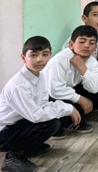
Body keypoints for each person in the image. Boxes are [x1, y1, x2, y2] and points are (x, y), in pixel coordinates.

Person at [0, 36, 79, 172]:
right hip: (3, 133)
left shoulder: (40, 76)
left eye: (45, 54)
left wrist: (67, 107)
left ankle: (29, 147)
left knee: (54, 121)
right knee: (50, 124)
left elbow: (43, 104)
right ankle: (13, 157)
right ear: (23, 57)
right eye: (33, 55)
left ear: (50, 56)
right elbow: (35, 115)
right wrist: (67, 108)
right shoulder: (18, 86)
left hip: (18, 124)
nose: (39, 59)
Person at [43, 26, 98, 133]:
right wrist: (80, 99)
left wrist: (82, 67)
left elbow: (94, 88)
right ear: (71, 44)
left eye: (91, 43)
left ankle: (75, 113)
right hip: (48, 94)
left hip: (71, 89)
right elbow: (55, 90)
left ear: (96, 47)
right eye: (82, 42)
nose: (86, 46)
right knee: (67, 106)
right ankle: (68, 121)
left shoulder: (92, 61)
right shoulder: (60, 60)